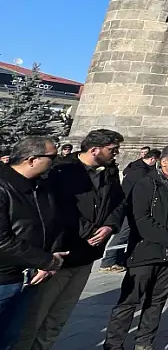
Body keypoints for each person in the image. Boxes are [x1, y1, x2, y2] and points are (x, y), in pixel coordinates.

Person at [20, 129, 125, 350]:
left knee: (58, 317)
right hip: (61, 253)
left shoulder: (109, 172)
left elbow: (118, 203)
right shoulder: (63, 170)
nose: (116, 154)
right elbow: (58, 208)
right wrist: (88, 230)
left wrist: (109, 226)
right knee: (35, 317)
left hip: (87, 256)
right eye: (112, 150)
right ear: (95, 150)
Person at [103, 143, 168, 350]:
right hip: (145, 252)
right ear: (164, 161)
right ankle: (113, 344)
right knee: (129, 301)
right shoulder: (146, 183)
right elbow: (141, 219)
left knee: (156, 301)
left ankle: (144, 343)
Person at [0, 137, 64, 349]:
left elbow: (52, 224)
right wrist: (47, 261)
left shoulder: (41, 186)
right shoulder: (3, 186)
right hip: (3, 277)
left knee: (9, 338)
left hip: (27, 277)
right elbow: (2, 240)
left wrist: (49, 258)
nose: (56, 162)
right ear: (32, 159)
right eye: (52, 157)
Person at [101, 149, 160, 272]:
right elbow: (134, 191)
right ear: (153, 159)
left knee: (126, 234)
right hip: (130, 207)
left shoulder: (137, 167)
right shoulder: (141, 171)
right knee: (122, 235)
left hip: (130, 206)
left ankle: (118, 259)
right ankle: (108, 261)